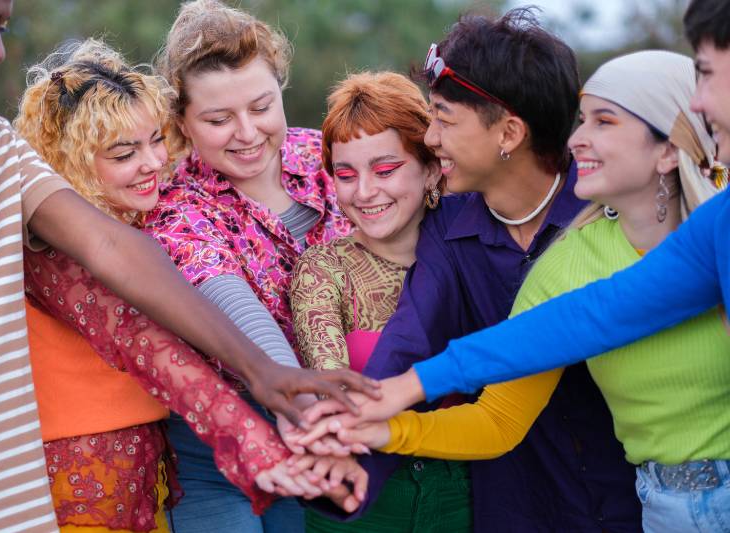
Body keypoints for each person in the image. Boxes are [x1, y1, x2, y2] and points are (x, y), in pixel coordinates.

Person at [0, 1, 375, 531]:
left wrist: (275, 387)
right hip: (81, 462)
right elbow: (145, 332)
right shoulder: (140, 216)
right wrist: (267, 405)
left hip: (112, 466)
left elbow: (117, 251)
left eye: (154, 142)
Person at [309, 50, 729, 533]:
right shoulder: (571, 259)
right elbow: (562, 332)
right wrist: (384, 424)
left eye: (604, 122)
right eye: (581, 120)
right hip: (666, 508)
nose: (578, 140)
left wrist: (404, 390)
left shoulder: (710, 232)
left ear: (668, 149)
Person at [12, 38, 347, 532]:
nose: (152, 164)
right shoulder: (54, 247)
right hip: (85, 469)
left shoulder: (144, 217)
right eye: (125, 152)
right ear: (72, 160)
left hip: (154, 461)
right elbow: (150, 346)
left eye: (155, 140)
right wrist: (257, 438)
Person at [146, 1, 361, 530]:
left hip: (345, 426)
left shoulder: (331, 159)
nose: (247, 133)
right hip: (219, 453)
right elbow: (234, 303)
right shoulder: (174, 203)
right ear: (182, 122)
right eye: (219, 120)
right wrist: (309, 416)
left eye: (261, 107)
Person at [289, 71, 471, 532]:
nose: (365, 192)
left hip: (468, 486)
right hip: (360, 493)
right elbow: (332, 391)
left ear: (432, 166)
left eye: (385, 170)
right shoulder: (324, 270)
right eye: (346, 175)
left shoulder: (474, 253)